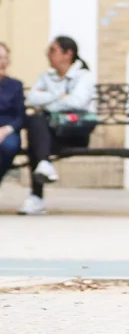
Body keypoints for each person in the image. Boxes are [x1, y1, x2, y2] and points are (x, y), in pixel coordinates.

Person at [21, 36, 97, 215]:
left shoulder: (83, 76)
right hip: (50, 134)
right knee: (35, 122)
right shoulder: (46, 76)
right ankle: (44, 167)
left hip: (74, 133)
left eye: (53, 50)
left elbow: (77, 102)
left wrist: (47, 99)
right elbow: (32, 99)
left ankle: (36, 197)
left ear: (68, 53)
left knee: (37, 139)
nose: (48, 54)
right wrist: (62, 97)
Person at [0, 44, 25, 197]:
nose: (2, 62)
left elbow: (21, 116)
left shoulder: (15, 86)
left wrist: (6, 130)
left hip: (7, 130)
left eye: (4, 58)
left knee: (9, 146)